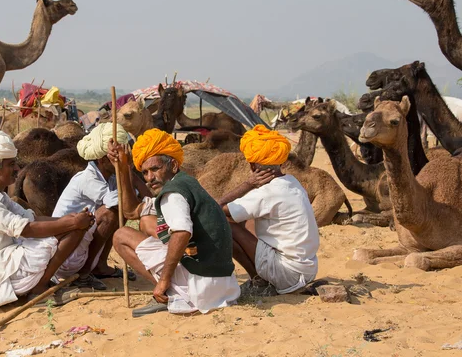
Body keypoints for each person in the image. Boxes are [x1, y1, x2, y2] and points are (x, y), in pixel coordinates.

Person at [108, 128, 240, 318]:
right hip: (221, 286)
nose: (149, 178)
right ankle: (175, 286)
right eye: (144, 173)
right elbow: (131, 211)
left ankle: (171, 293)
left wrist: (163, 281)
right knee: (146, 221)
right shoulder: (185, 183)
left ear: (174, 166)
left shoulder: (173, 194)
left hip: (201, 287)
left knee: (121, 236)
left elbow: (182, 233)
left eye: (155, 169)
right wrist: (122, 168)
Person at [0, 131, 95, 310]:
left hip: (7, 260)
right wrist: (73, 224)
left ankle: (40, 281)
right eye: (11, 165)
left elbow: (31, 218)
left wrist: (69, 218)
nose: (17, 169)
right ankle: (40, 286)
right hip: (0, 272)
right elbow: (26, 229)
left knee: (71, 227)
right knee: (74, 230)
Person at [217, 125, 320, 295]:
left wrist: (247, 184)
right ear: (281, 162)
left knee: (225, 224)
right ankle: (260, 279)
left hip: (289, 275)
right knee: (247, 218)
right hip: (306, 269)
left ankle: (258, 282)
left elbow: (217, 209)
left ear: (252, 166)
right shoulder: (291, 182)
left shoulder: (268, 193)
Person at [51, 122, 141, 290]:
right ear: (102, 159)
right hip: (66, 255)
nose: (120, 158)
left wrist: (126, 169)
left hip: (81, 246)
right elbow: (123, 203)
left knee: (120, 210)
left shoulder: (111, 178)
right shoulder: (87, 178)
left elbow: (134, 199)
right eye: (115, 156)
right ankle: (84, 274)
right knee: (111, 213)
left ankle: (100, 265)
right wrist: (125, 169)